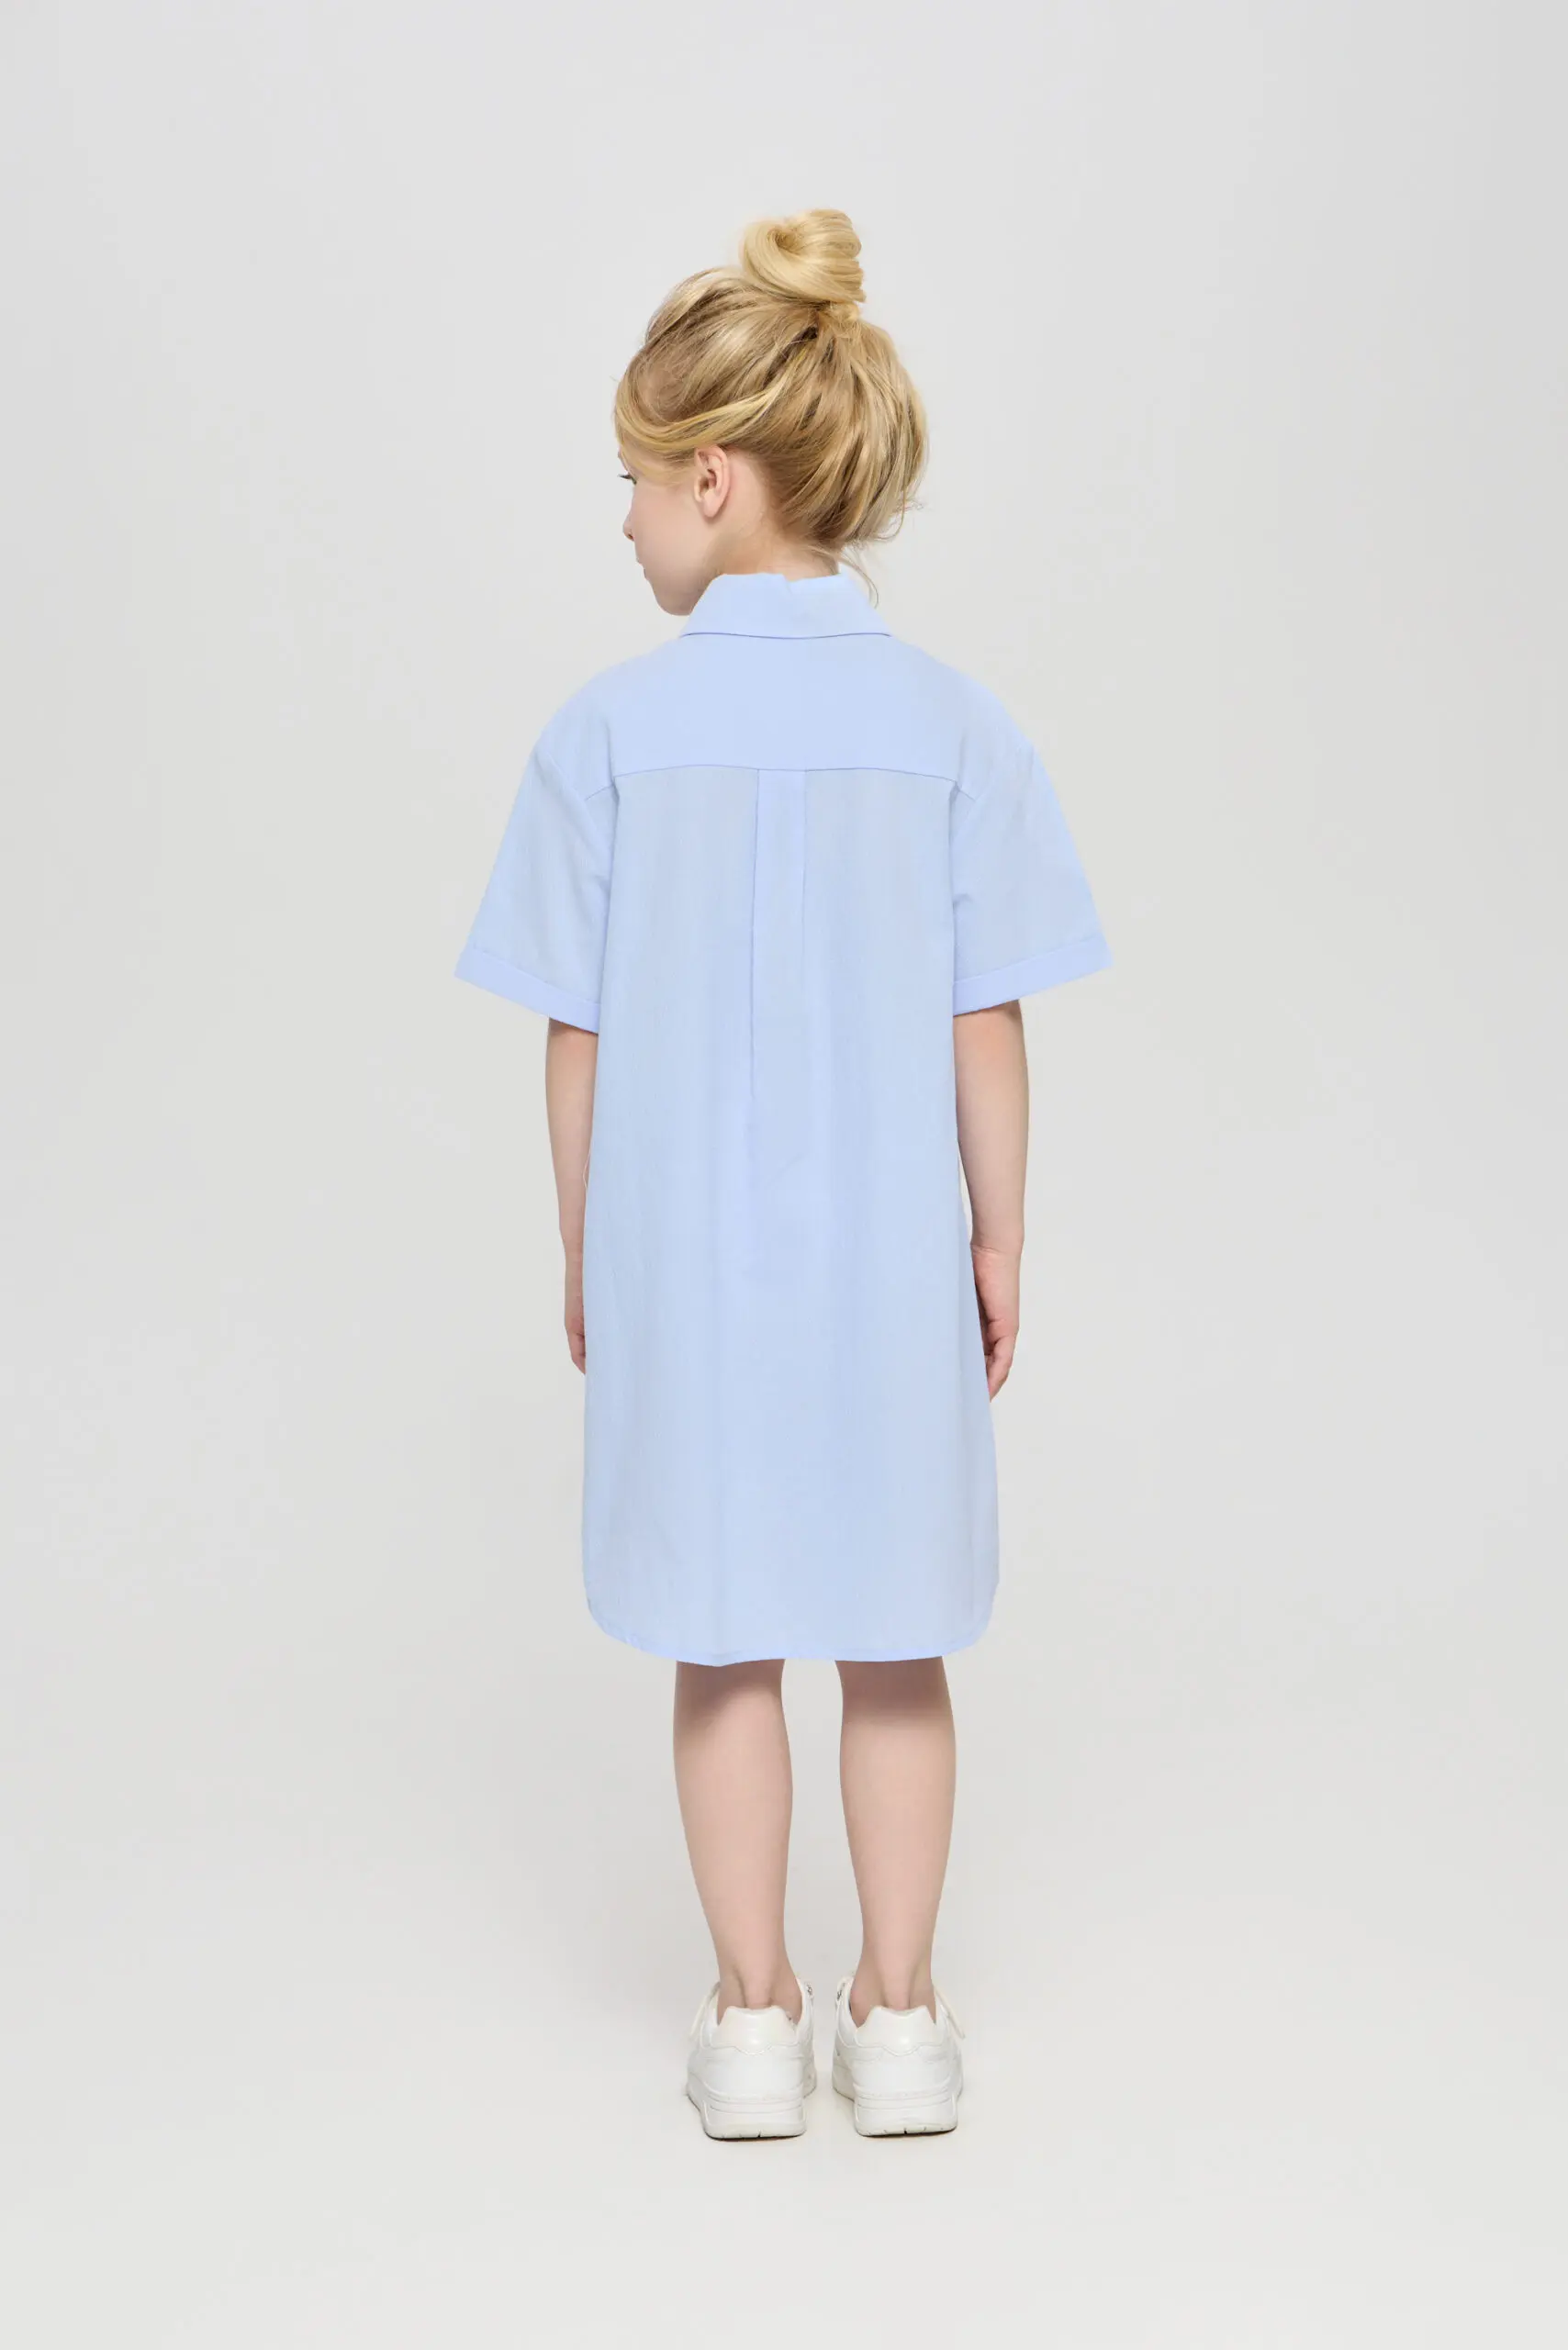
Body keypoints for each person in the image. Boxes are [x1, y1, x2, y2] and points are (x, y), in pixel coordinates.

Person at [454, 207, 1113, 2140]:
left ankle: (753, 2019)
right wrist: (999, 1237)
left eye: (631, 481)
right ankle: (896, 2017)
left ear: (713, 479)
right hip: (888, 1262)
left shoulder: (607, 735)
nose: (622, 522)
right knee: (897, 1637)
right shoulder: (953, 727)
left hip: (685, 1257)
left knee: (722, 1631)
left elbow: (575, 1036)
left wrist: (585, 1247)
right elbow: (984, 1018)